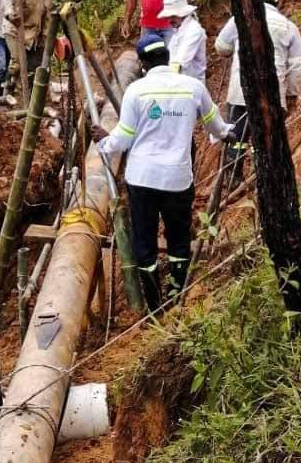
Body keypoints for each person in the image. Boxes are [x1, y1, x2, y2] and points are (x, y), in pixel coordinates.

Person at [93, 32, 233, 314]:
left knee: (144, 240)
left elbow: (124, 138)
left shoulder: (137, 91)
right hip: (177, 179)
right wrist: (231, 133)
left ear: (143, 64)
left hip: (142, 179)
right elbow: (216, 127)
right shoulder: (193, 88)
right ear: (168, 59)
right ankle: (176, 295)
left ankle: (155, 305)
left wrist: (104, 140)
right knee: (178, 237)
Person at [214, 0, 301, 185]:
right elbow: (297, 66)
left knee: (236, 135)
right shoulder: (289, 26)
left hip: (241, 90)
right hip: (272, 93)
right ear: (276, 6)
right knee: (264, 138)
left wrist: (233, 47)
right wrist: (291, 95)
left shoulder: (239, 18)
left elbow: (221, 47)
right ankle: (263, 180)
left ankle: (232, 178)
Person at [5, 0, 59, 84]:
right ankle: (7, 96)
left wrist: (47, 41)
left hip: (35, 35)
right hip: (16, 31)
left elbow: (48, 16)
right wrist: (12, 15)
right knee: (18, 68)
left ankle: (32, 102)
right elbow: (10, 4)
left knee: (37, 70)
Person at [158, 0, 206, 81]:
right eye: (168, 17)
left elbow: (180, 62)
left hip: (190, 84)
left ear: (183, 13)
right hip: (178, 82)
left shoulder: (193, 30)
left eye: (173, 16)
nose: (170, 20)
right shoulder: (178, 30)